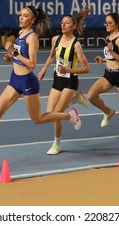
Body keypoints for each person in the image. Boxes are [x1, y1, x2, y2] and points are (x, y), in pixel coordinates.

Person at [0, 6, 81, 165]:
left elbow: (32, 64)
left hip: (28, 82)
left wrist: (15, 54)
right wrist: (11, 57)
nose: (21, 18)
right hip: (15, 80)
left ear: (33, 20)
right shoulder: (20, 34)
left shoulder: (32, 37)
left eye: (25, 16)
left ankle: (70, 115)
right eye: (20, 15)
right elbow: (20, 57)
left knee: (38, 119)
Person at [37, 8, 91, 155]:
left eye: (67, 23)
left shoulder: (76, 45)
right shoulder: (56, 39)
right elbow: (51, 56)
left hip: (70, 82)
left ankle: (57, 144)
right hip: (57, 80)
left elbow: (86, 68)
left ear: (73, 26)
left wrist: (69, 71)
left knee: (57, 113)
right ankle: (75, 101)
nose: (63, 25)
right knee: (50, 113)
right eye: (62, 23)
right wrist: (44, 69)